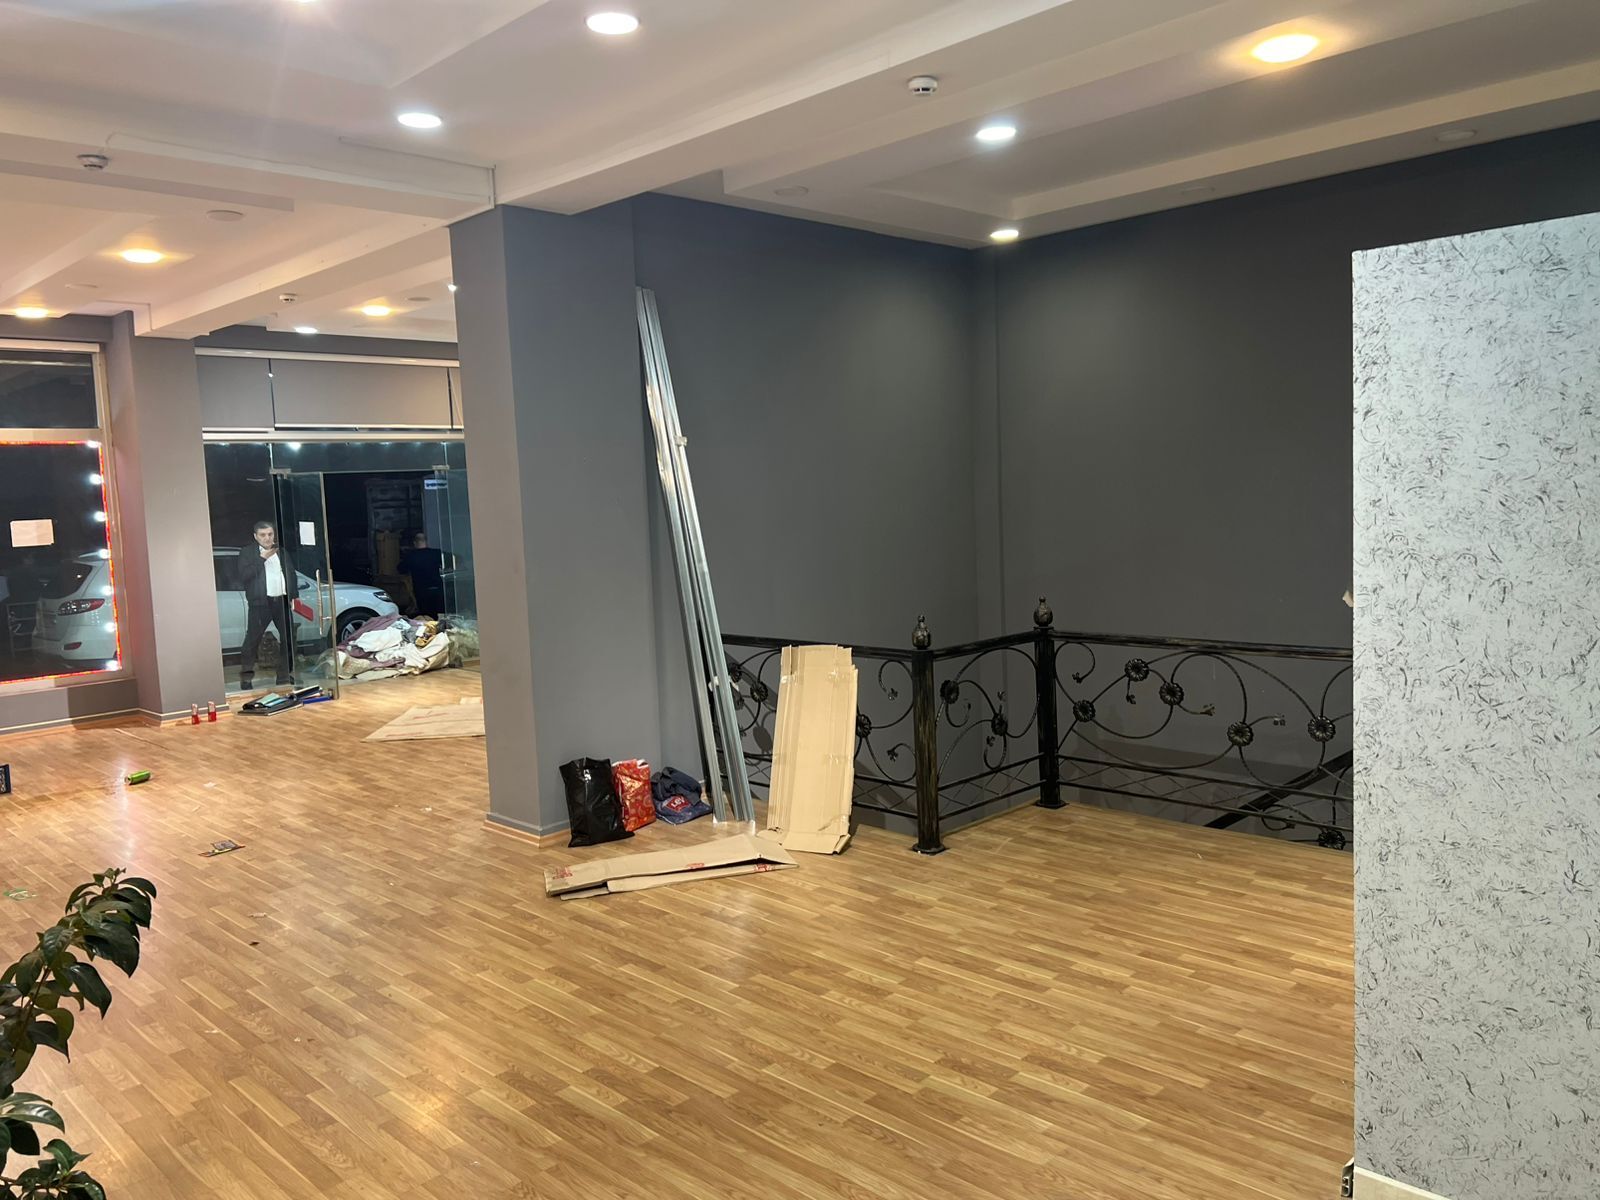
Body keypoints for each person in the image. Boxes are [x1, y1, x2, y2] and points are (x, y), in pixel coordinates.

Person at [236, 520, 296, 690]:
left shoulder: (281, 551)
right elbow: (244, 576)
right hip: (260, 603)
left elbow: (290, 574)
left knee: (289, 638)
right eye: (263, 535)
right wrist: (262, 558)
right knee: (252, 641)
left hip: (281, 601)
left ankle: (284, 676)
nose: (267, 538)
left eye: (270, 534)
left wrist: (293, 596)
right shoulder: (247, 553)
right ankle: (246, 678)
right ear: (256, 536)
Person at [399, 530, 446, 616]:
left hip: (421, 591)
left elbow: (400, 569)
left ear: (415, 543)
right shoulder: (436, 553)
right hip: (437, 588)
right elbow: (455, 559)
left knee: (426, 616)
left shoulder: (411, 556)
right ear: (426, 541)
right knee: (440, 613)